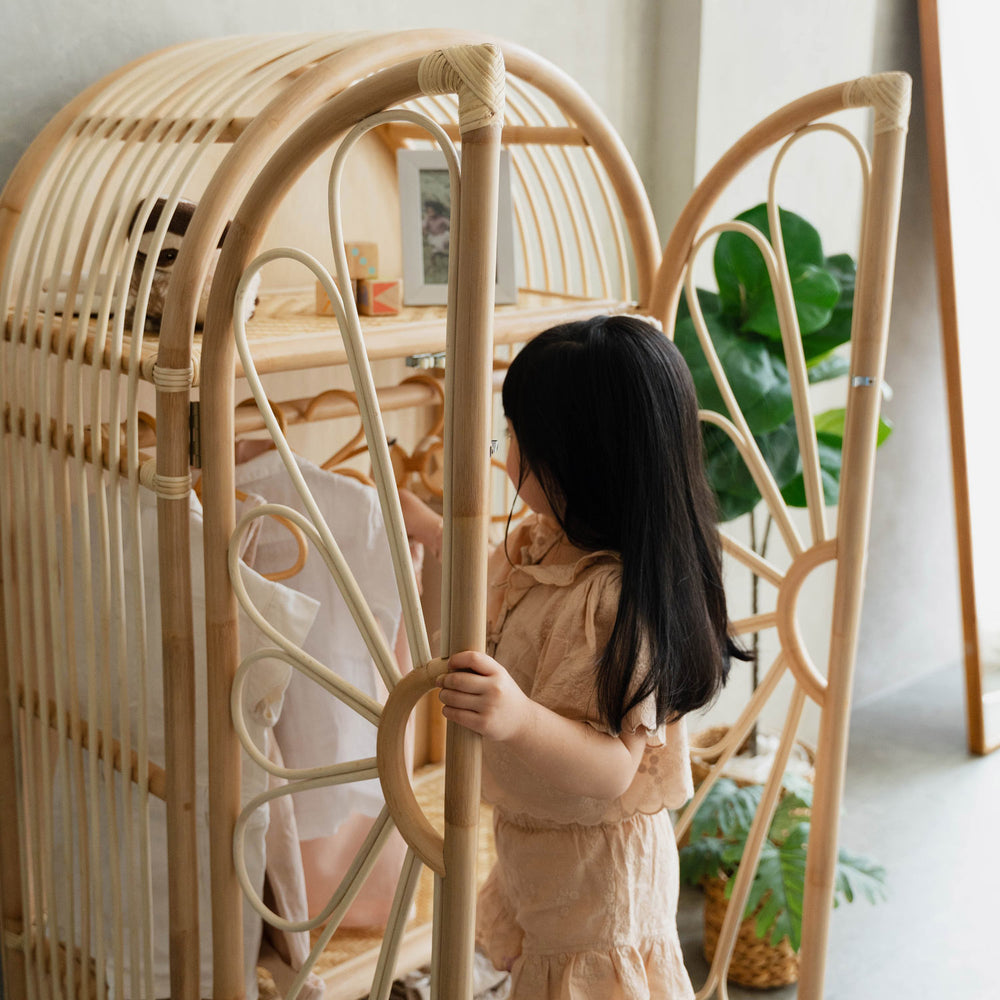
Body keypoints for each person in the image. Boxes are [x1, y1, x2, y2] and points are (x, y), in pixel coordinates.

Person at [402, 314, 748, 999]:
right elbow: (493, 579)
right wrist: (429, 529)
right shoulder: (545, 539)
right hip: (546, 849)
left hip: (599, 880)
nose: (505, 452)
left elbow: (613, 767)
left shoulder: (619, 603)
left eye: (519, 439)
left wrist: (516, 719)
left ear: (584, 462)